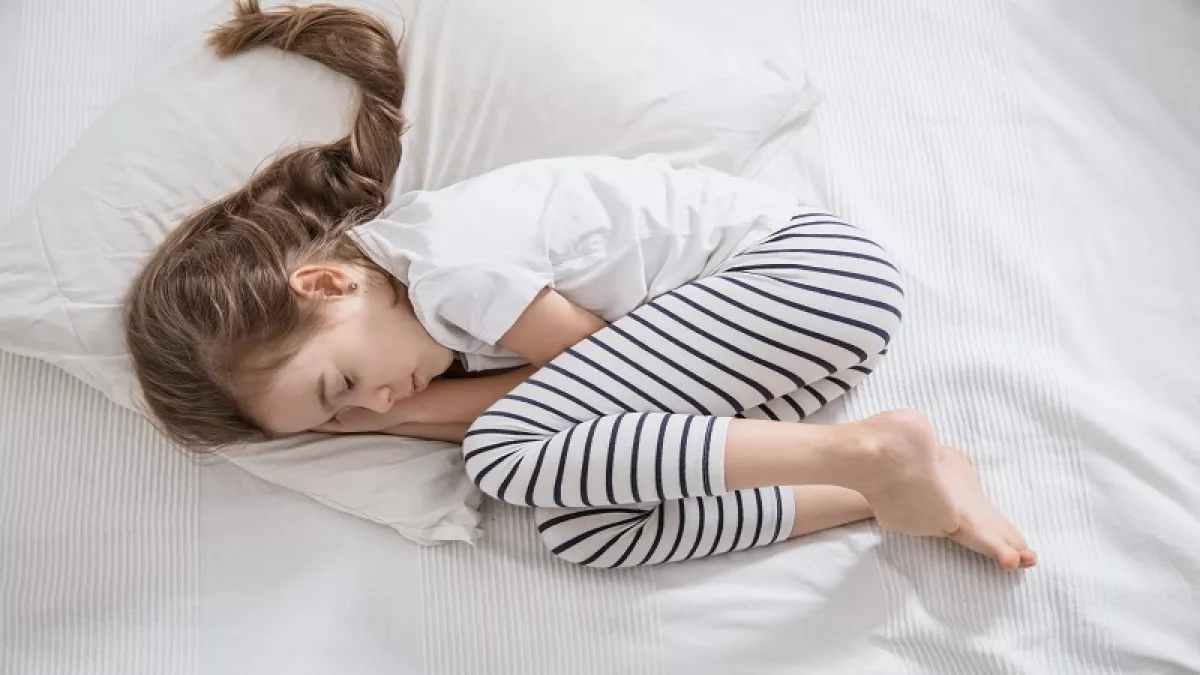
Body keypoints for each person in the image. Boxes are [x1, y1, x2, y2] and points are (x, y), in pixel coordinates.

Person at [125, 0, 1036, 571]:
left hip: (801, 277)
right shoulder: (419, 306)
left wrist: (400, 418)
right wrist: (382, 405)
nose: (373, 398)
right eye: (337, 419)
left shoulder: (450, 263)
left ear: (325, 282)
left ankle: (868, 453)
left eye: (340, 387)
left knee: (507, 458)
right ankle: (896, 483)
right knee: (585, 529)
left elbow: (580, 370)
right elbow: (610, 412)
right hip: (787, 348)